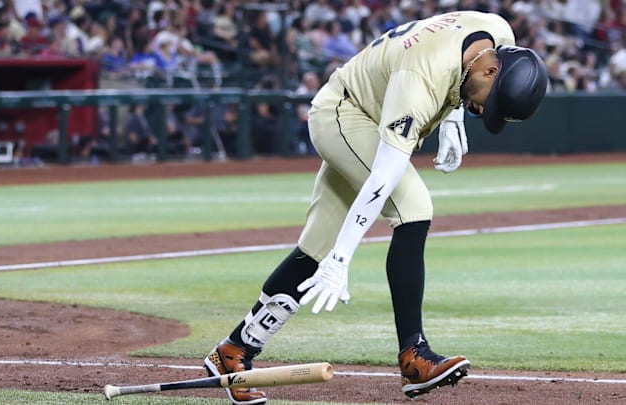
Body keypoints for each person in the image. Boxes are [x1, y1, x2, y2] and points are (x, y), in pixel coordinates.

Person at [203, 10, 548, 404]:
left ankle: (233, 351)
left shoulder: (497, 33)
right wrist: (343, 258)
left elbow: (459, 55)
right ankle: (414, 356)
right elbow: (382, 178)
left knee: (315, 249)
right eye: (494, 102)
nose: (487, 112)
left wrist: (453, 116)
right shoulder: (421, 78)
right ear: (490, 72)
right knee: (413, 207)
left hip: (366, 106)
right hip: (346, 116)